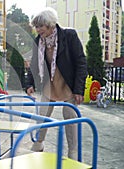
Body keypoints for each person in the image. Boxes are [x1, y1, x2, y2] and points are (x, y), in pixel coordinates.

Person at [26, 7, 87, 160]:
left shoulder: (69, 35)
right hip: (50, 85)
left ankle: (72, 152)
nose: (38, 30)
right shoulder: (39, 41)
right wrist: (29, 83)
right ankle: (39, 143)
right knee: (42, 115)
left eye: (41, 26)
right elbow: (34, 64)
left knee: (70, 117)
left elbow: (81, 63)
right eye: (36, 26)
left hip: (68, 84)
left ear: (50, 24)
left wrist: (79, 90)